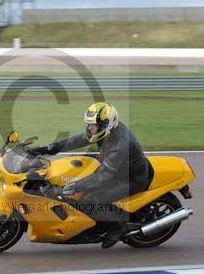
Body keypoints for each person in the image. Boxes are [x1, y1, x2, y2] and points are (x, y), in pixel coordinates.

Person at [30, 102, 153, 249]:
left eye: (93, 125)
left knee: (90, 200)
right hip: (117, 166)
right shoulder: (106, 131)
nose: (89, 128)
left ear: (106, 124)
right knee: (80, 162)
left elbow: (102, 177)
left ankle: (118, 227)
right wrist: (49, 148)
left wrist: (71, 188)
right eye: (89, 124)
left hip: (130, 178)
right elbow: (78, 140)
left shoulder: (119, 144)